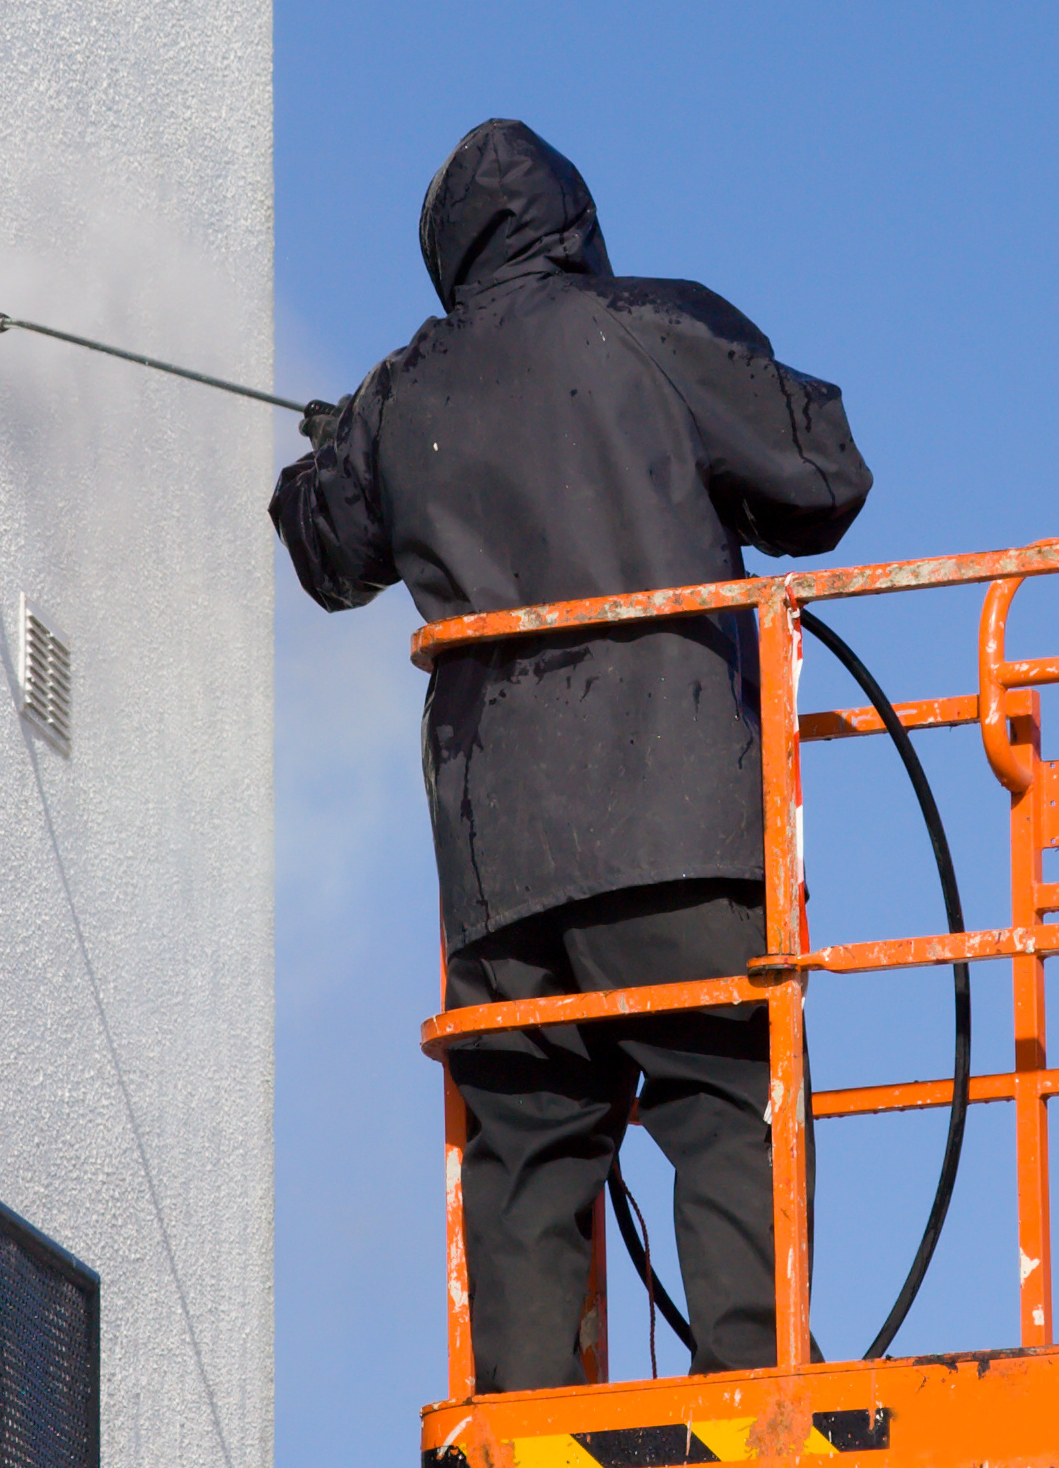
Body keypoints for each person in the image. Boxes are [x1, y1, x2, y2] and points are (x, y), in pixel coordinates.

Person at [270, 119, 871, 1392]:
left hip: (500, 861)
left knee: (531, 1129)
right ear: (572, 222)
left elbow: (324, 552)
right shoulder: (651, 330)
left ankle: (531, 1410)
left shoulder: (401, 393)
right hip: (677, 813)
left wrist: (339, 446)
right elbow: (823, 475)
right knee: (723, 1087)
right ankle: (755, 1379)